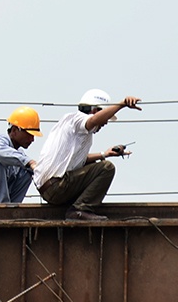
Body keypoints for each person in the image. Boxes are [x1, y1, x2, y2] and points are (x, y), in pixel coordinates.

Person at [33, 89, 142, 218]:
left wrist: (105, 154)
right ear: (95, 111)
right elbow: (93, 121)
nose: (106, 122)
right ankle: (80, 210)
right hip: (57, 187)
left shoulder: (70, 125)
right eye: (106, 118)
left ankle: (77, 208)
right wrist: (122, 104)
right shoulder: (78, 119)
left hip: (49, 189)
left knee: (98, 164)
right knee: (106, 168)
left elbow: (78, 161)